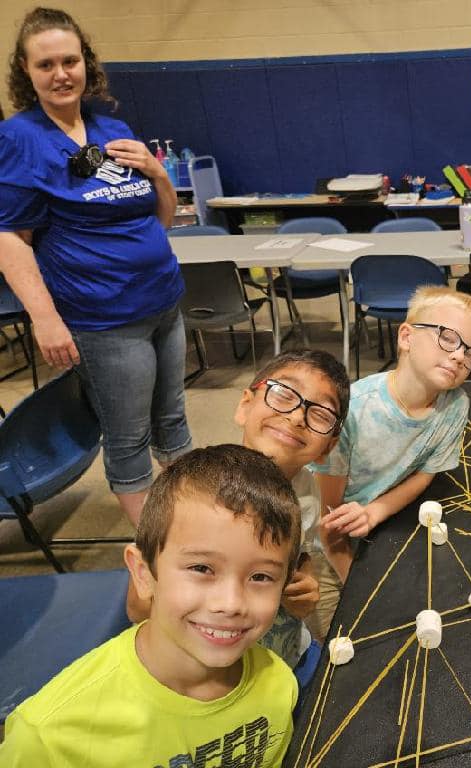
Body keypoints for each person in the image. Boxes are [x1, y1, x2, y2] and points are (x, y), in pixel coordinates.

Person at [0, 7, 190, 526]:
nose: (61, 74)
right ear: (26, 70)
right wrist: (45, 319)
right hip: (105, 320)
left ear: (86, 62)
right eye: (46, 65)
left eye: (70, 60)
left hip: (164, 301)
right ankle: (161, 549)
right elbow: (11, 238)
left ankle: (193, 520)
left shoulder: (111, 127)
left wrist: (155, 170)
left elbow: (162, 218)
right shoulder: (19, 139)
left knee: (173, 419)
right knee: (130, 435)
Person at [0, 445, 301, 767]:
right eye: (201, 568)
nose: (230, 604)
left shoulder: (279, 686)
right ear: (143, 574)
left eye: (260, 576)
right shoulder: (47, 737)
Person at [315, 286, 471, 573]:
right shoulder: (352, 411)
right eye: (447, 338)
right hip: (326, 546)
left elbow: (424, 475)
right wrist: (354, 592)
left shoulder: (455, 405)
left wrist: (374, 512)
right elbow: (327, 522)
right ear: (407, 337)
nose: (460, 356)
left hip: (379, 525)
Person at [234, 349, 350, 658]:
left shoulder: (307, 490)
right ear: (245, 405)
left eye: (321, 414)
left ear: (328, 448)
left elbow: (303, 553)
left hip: (287, 654)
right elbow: (141, 608)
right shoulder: (192, 496)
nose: (297, 416)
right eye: (284, 394)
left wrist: (307, 581)